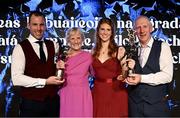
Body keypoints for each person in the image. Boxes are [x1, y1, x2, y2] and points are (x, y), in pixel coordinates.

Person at [11, 11, 64, 117]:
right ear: (28, 25)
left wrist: (59, 66)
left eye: (41, 24)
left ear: (45, 25)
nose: (39, 29)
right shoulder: (20, 48)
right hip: (31, 105)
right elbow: (16, 79)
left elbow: (61, 61)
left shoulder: (53, 45)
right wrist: (45, 82)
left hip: (52, 104)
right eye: (35, 24)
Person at [126, 15, 173, 117]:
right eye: (138, 27)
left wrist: (141, 78)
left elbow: (167, 76)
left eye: (145, 26)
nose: (142, 30)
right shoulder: (131, 49)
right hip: (135, 107)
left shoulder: (163, 47)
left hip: (156, 107)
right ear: (135, 31)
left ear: (151, 28)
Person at [91, 18, 135, 117]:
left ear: (112, 33)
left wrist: (124, 71)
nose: (105, 32)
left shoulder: (119, 50)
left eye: (108, 29)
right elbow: (91, 73)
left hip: (116, 92)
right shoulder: (93, 52)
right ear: (98, 31)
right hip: (98, 93)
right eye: (102, 29)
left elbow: (125, 74)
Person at [58, 27, 93, 117]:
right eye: (72, 38)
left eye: (78, 38)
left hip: (82, 95)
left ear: (82, 39)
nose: (76, 41)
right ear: (68, 40)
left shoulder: (89, 56)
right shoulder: (62, 57)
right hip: (67, 94)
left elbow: (96, 73)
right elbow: (57, 78)